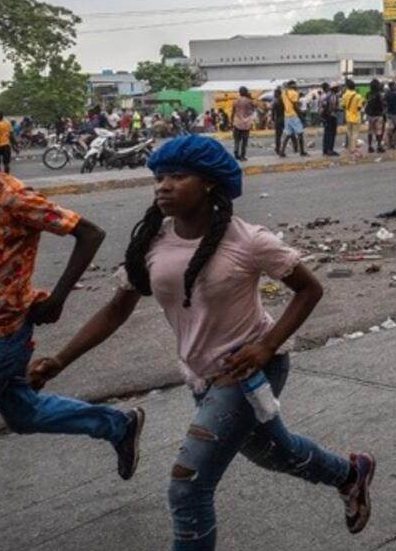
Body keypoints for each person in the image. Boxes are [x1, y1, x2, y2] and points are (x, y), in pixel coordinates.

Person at [28, 135, 376, 550]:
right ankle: (349, 473)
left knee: (188, 487)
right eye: (159, 177)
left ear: (210, 183)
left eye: (178, 176)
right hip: (200, 375)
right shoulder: (151, 242)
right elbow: (116, 309)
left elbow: (309, 290)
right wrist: (60, 359)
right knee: (273, 452)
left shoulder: (248, 240)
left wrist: (267, 347)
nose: (164, 185)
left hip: (248, 371)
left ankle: (348, 474)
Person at [0, 110, 143, 486]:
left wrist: (59, 297)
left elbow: (90, 233)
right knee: (25, 415)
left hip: (1, 336)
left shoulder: (10, 196)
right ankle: (118, 425)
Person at [281, 80, 307, 157]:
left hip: (287, 115)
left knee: (288, 134)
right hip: (294, 115)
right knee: (300, 133)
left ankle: (282, 151)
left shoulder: (284, 93)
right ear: (292, 85)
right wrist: (302, 116)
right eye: (295, 85)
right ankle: (302, 151)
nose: (296, 86)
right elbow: (295, 106)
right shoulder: (294, 93)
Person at [340, 79, 365, 158]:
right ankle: (353, 149)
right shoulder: (358, 96)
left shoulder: (344, 95)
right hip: (356, 117)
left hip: (348, 116)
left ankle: (350, 147)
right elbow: (359, 108)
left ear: (347, 87)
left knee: (349, 133)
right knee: (355, 133)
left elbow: (343, 106)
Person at [231, 87, 256, 162]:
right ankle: (242, 156)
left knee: (237, 140)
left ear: (240, 93)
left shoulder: (235, 101)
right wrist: (250, 97)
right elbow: (255, 107)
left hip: (237, 123)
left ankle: (236, 150)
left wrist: (231, 121)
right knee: (244, 141)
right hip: (246, 124)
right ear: (246, 92)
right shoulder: (249, 101)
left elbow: (233, 112)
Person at [319, 82, 341, 157]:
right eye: (337, 88)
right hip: (330, 116)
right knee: (331, 133)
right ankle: (330, 150)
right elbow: (326, 106)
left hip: (326, 116)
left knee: (327, 133)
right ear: (334, 88)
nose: (338, 89)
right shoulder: (331, 96)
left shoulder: (324, 95)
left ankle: (325, 150)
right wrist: (329, 113)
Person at [365, 80, 386, 153]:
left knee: (370, 132)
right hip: (378, 114)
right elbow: (382, 104)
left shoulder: (368, 94)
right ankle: (379, 146)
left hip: (370, 115)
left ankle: (370, 146)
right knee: (378, 131)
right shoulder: (379, 94)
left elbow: (366, 103)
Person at [271, 88, 285, 155]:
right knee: (288, 134)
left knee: (278, 136)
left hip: (278, 120)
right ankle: (295, 147)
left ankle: (277, 148)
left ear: (277, 93)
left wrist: (273, 119)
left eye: (275, 93)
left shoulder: (275, 102)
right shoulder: (283, 100)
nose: (274, 94)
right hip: (284, 119)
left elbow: (273, 113)